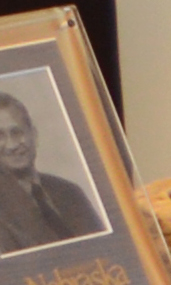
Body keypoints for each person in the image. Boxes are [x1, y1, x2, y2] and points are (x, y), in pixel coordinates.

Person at [0, 94, 103, 255]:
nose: (12, 145)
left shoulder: (70, 192)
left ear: (34, 134)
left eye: (17, 132)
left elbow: (108, 247)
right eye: (0, 137)